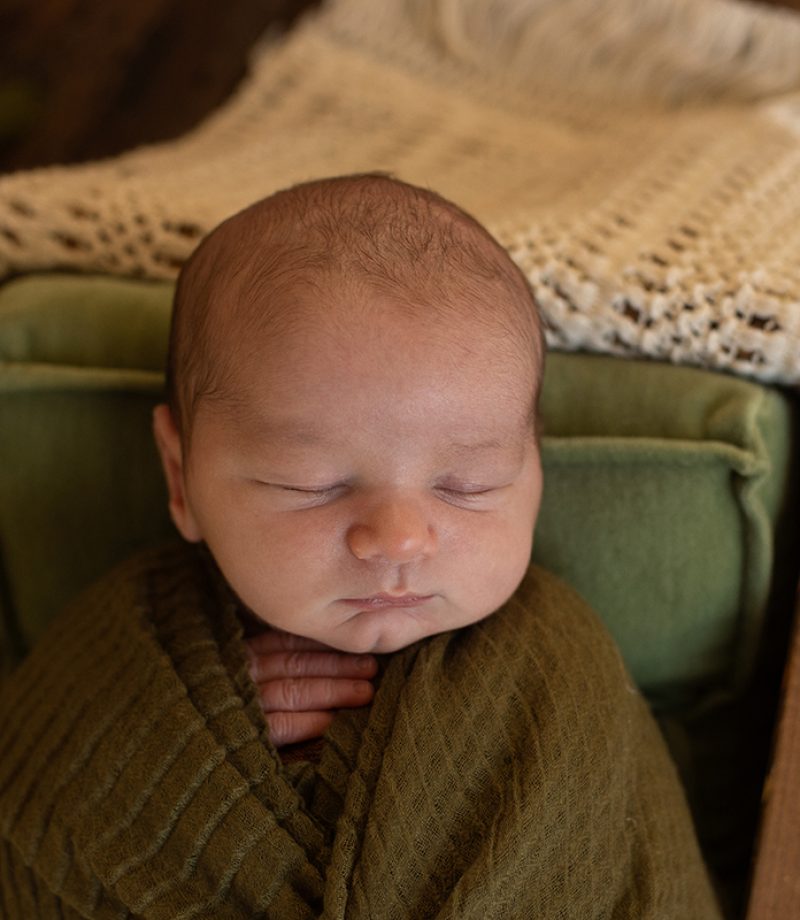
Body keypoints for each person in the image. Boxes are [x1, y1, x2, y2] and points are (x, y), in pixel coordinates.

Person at [0, 174, 721, 918]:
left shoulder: (558, 667)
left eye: (468, 484)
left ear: (535, 466)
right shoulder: (126, 649)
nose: (400, 538)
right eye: (309, 484)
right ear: (181, 478)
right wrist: (162, 738)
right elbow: (33, 784)